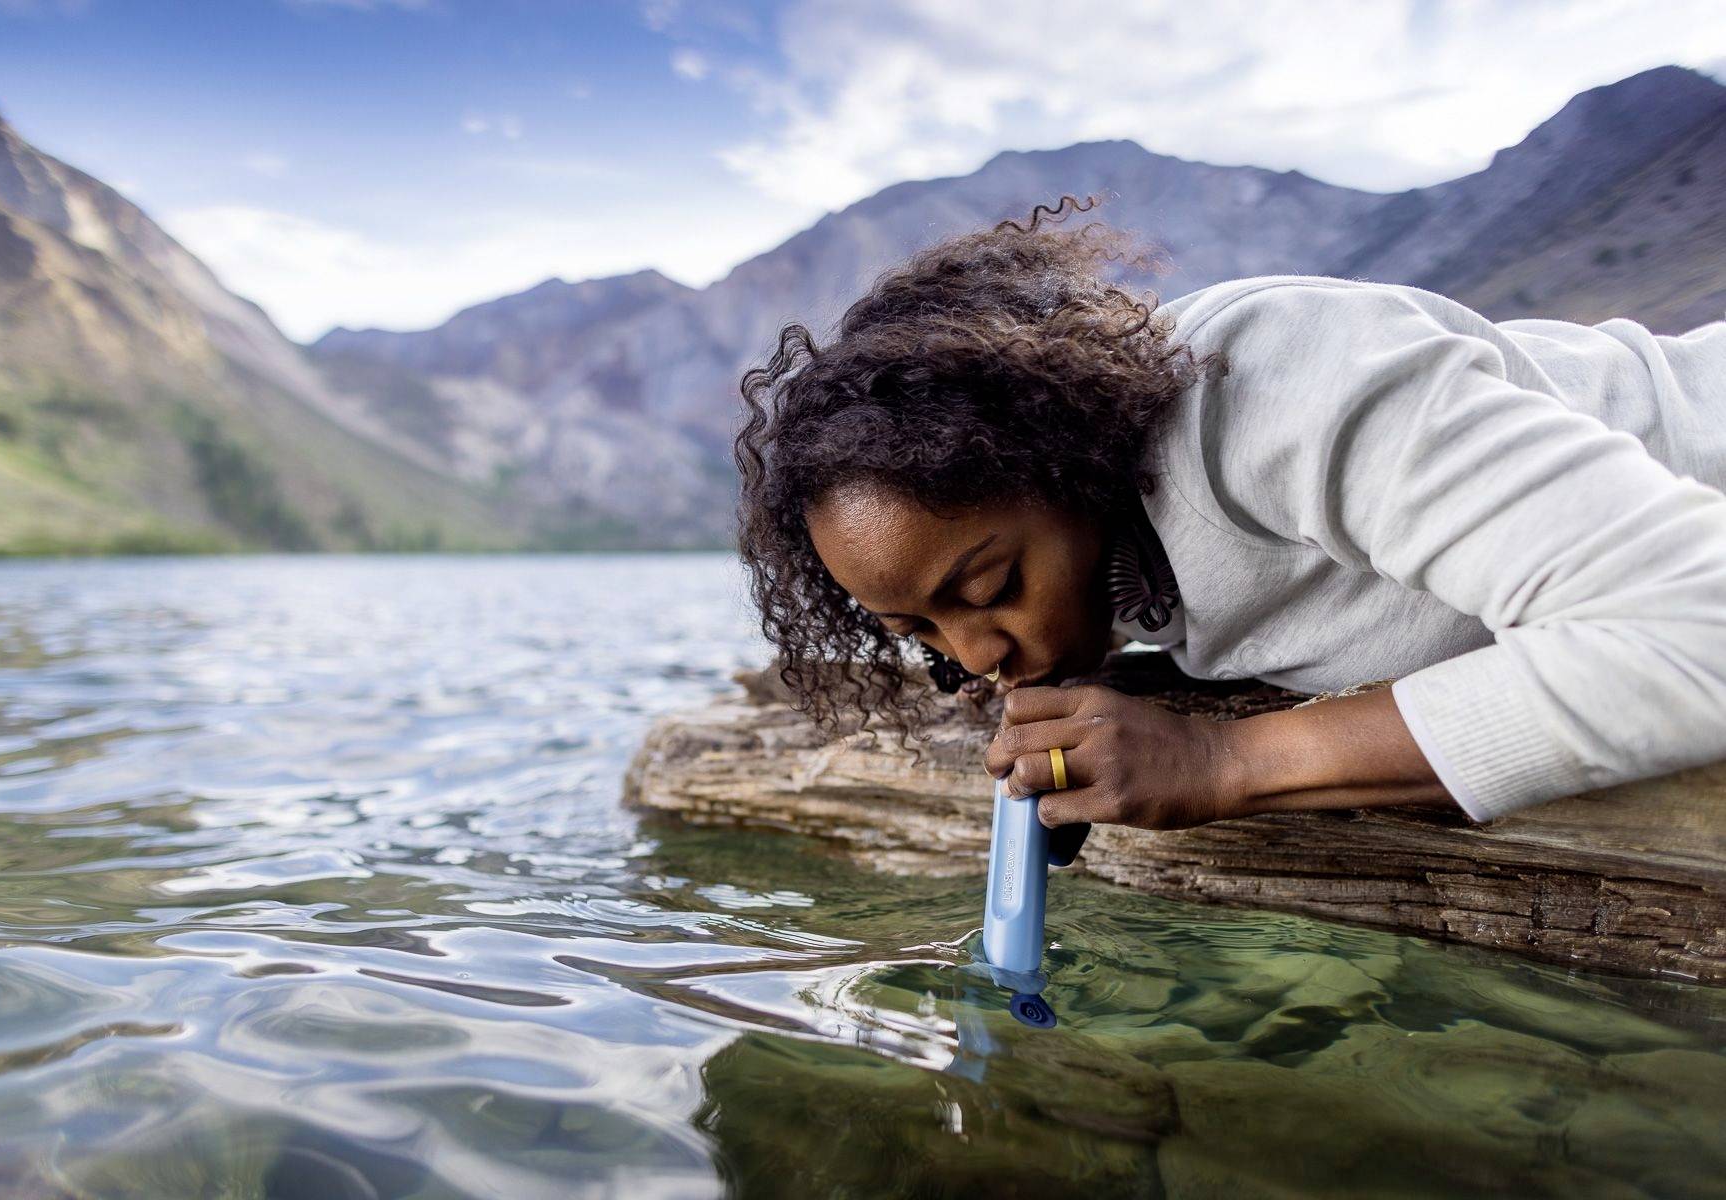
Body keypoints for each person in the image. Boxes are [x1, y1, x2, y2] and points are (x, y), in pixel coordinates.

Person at [731, 193, 1726, 832]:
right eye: (922, 635)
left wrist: (1230, 761)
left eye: (988, 587)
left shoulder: (1269, 383)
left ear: (1062, 457)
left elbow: (1699, 630)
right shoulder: (1111, 551)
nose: (975, 653)